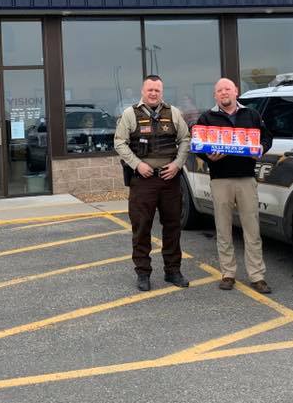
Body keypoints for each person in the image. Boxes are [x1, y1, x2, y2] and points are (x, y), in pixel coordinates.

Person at [196, 78, 274, 293]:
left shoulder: (251, 114)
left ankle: (257, 276)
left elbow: (267, 137)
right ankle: (228, 274)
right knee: (223, 229)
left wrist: (261, 148)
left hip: (246, 178)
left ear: (236, 91)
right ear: (215, 95)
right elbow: (198, 145)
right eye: (219, 90)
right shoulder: (206, 117)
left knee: (252, 229)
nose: (224, 92)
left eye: (227, 89)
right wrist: (208, 156)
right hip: (220, 179)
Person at [114, 74, 191, 292]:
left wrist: (177, 164)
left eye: (157, 90)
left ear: (162, 92)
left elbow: (185, 139)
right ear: (143, 91)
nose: (153, 93)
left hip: (169, 179)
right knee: (141, 227)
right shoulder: (130, 114)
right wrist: (137, 164)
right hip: (143, 181)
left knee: (173, 226)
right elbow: (119, 142)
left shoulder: (173, 113)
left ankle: (173, 271)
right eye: (150, 90)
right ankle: (143, 273)